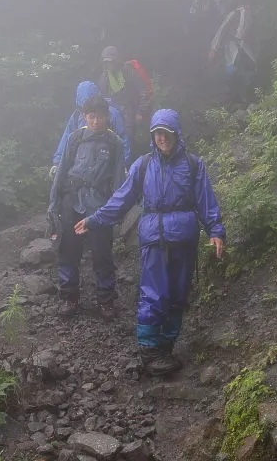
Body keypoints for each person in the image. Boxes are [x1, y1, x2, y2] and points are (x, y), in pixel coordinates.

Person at [75, 109, 224, 376]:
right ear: (152, 135)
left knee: (178, 295)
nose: (161, 138)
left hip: (184, 238)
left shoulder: (192, 164)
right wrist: (94, 219)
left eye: (166, 133)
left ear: (175, 133)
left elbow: (205, 200)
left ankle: (166, 347)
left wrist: (216, 230)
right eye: (157, 133)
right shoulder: (143, 165)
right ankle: (149, 350)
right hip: (154, 237)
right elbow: (122, 199)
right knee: (154, 294)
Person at [49, 95, 126, 318]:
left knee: (102, 253)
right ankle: (69, 298)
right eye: (91, 117)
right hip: (71, 200)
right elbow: (62, 171)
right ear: (84, 117)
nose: (95, 121)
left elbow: (119, 180)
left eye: (99, 117)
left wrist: (117, 212)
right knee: (68, 250)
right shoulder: (75, 138)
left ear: (107, 117)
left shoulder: (115, 143)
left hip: (99, 206)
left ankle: (106, 300)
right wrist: (53, 203)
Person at [97, 46, 151, 146]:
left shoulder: (129, 71)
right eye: (106, 62)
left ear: (116, 60)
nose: (108, 64)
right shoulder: (104, 77)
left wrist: (140, 112)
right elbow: (102, 97)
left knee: (128, 138)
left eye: (110, 61)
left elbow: (143, 91)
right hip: (113, 113)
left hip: (131, 111)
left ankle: (128, 159)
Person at [209, 5, 257, 103]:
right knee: (234, 68)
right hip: (232, 45)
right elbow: (222, 29)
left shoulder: (249, 14)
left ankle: (246, 96)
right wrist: (214, 48)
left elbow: (248, 32)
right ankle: (233, 97)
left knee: (248, 67)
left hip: (243, 45)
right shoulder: (234, 14)